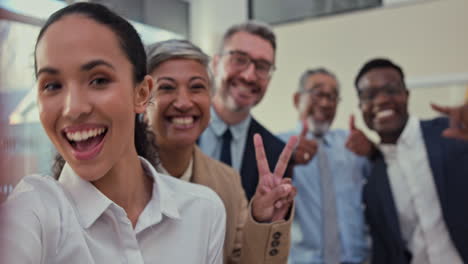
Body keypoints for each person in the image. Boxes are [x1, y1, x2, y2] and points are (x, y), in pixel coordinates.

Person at [0, 3, 226, 263]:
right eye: (52, 85)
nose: (73, 108)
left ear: (141, 93)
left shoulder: (203, 211)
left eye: (99, 80)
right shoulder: (34, 212)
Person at [145, 39, 297, 264]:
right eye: (166, 87)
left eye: (197, 87)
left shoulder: (228, 183)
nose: (184, 102)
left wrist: (263, 222)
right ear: (140, 96)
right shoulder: (114, 174)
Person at [351, 58, 468, 264]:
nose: (381, 100)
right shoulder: (374, 181)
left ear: (406, 95)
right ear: (361, 106)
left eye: (391, 90)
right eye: (370, 95)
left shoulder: (452, 133)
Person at [278, 68, 370, 264]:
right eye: (318, 93)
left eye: (333, 96)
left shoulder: (352, 144)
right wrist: (289, 162)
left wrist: (372, 152)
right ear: (297, 99)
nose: (326, 102)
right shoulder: (278, 146)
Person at [198, 21, 298, 201]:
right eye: (239, 60)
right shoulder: (176, 126)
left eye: (262, 66)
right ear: (215, 63)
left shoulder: (275, 152)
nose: (249, 76)